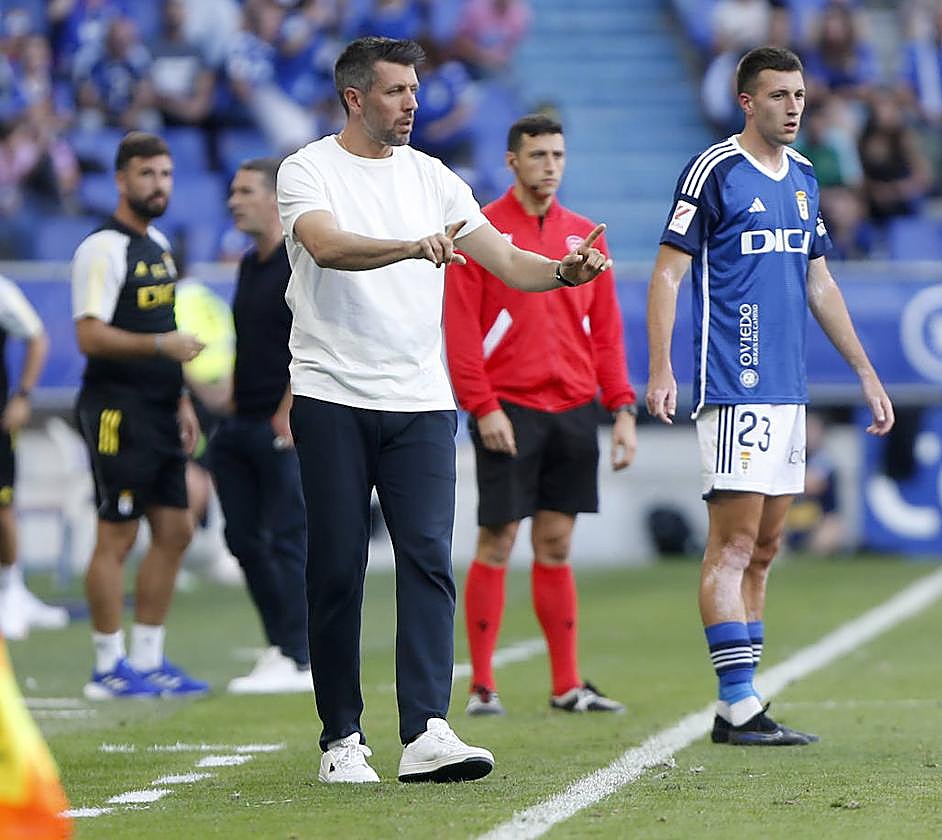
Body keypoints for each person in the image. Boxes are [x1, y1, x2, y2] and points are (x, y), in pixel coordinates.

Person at [275, 37, 612, 785]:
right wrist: (407, 247)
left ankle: (427, 729)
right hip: (331, 392)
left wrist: (563, 272)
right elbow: (325, 247)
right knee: (337, 567)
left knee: (428, 561)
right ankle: (341, 740)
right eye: (396, 91)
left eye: (415, 90)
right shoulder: (307, 169)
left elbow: (506, 260)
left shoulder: (435, 178)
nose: (413, 102)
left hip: (422, 403)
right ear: (355, 98)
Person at [645, 46, 894, 746]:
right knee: (730, 548)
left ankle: (740, 706)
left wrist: (867, 373)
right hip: (735, 383)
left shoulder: (807, 178)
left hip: (789, 390)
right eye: (779, 95)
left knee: (765, 549)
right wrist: (661, 367)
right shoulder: (714, 171)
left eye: (801, 95)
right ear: (746, 100)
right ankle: (738, 700)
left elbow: (820, 283)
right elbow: (667, 275)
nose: (794, 107)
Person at [444, 114, 637, 717]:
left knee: (555, 542)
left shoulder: (586, 235)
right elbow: (461, 331)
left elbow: (606, 333)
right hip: (510, 408)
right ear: (511, 161)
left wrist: (622, 409)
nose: (549, 165)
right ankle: (481, 685)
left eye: (557, 155)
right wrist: (482, 405)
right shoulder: (483, 234)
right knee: (497, 539)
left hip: (574, 408)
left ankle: (566, 685)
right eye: (537, 155)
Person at [70, 131, 208, 699]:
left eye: (167, 175)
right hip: (115, 409)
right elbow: (88, 335)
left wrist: (179, 399)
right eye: (148, 174)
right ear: (122, 179)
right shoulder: (103, 248)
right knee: (118, 533)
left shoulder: (159, 245)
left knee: (175, 529)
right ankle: (108, 666)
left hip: (158, 408)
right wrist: (160, 352)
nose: (159, 185)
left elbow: (161, 328)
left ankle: (149, 660)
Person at [210, 157, 312, 695]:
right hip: (239, 420)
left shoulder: (297, 263)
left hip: (280, 424)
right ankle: (281, 645)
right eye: (232, 190)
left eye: (245, 190)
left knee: (286, 538)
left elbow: (312, 339)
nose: (234, 200)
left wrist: (290, 405)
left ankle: (299, 654)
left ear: (274, 199)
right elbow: (252, 344)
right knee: (243, 538)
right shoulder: (250, 265)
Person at [0, 275, 67, 641]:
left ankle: (11, 591)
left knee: (2, 507)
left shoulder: (2, 291)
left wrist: (23, 395)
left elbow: (37, 337)